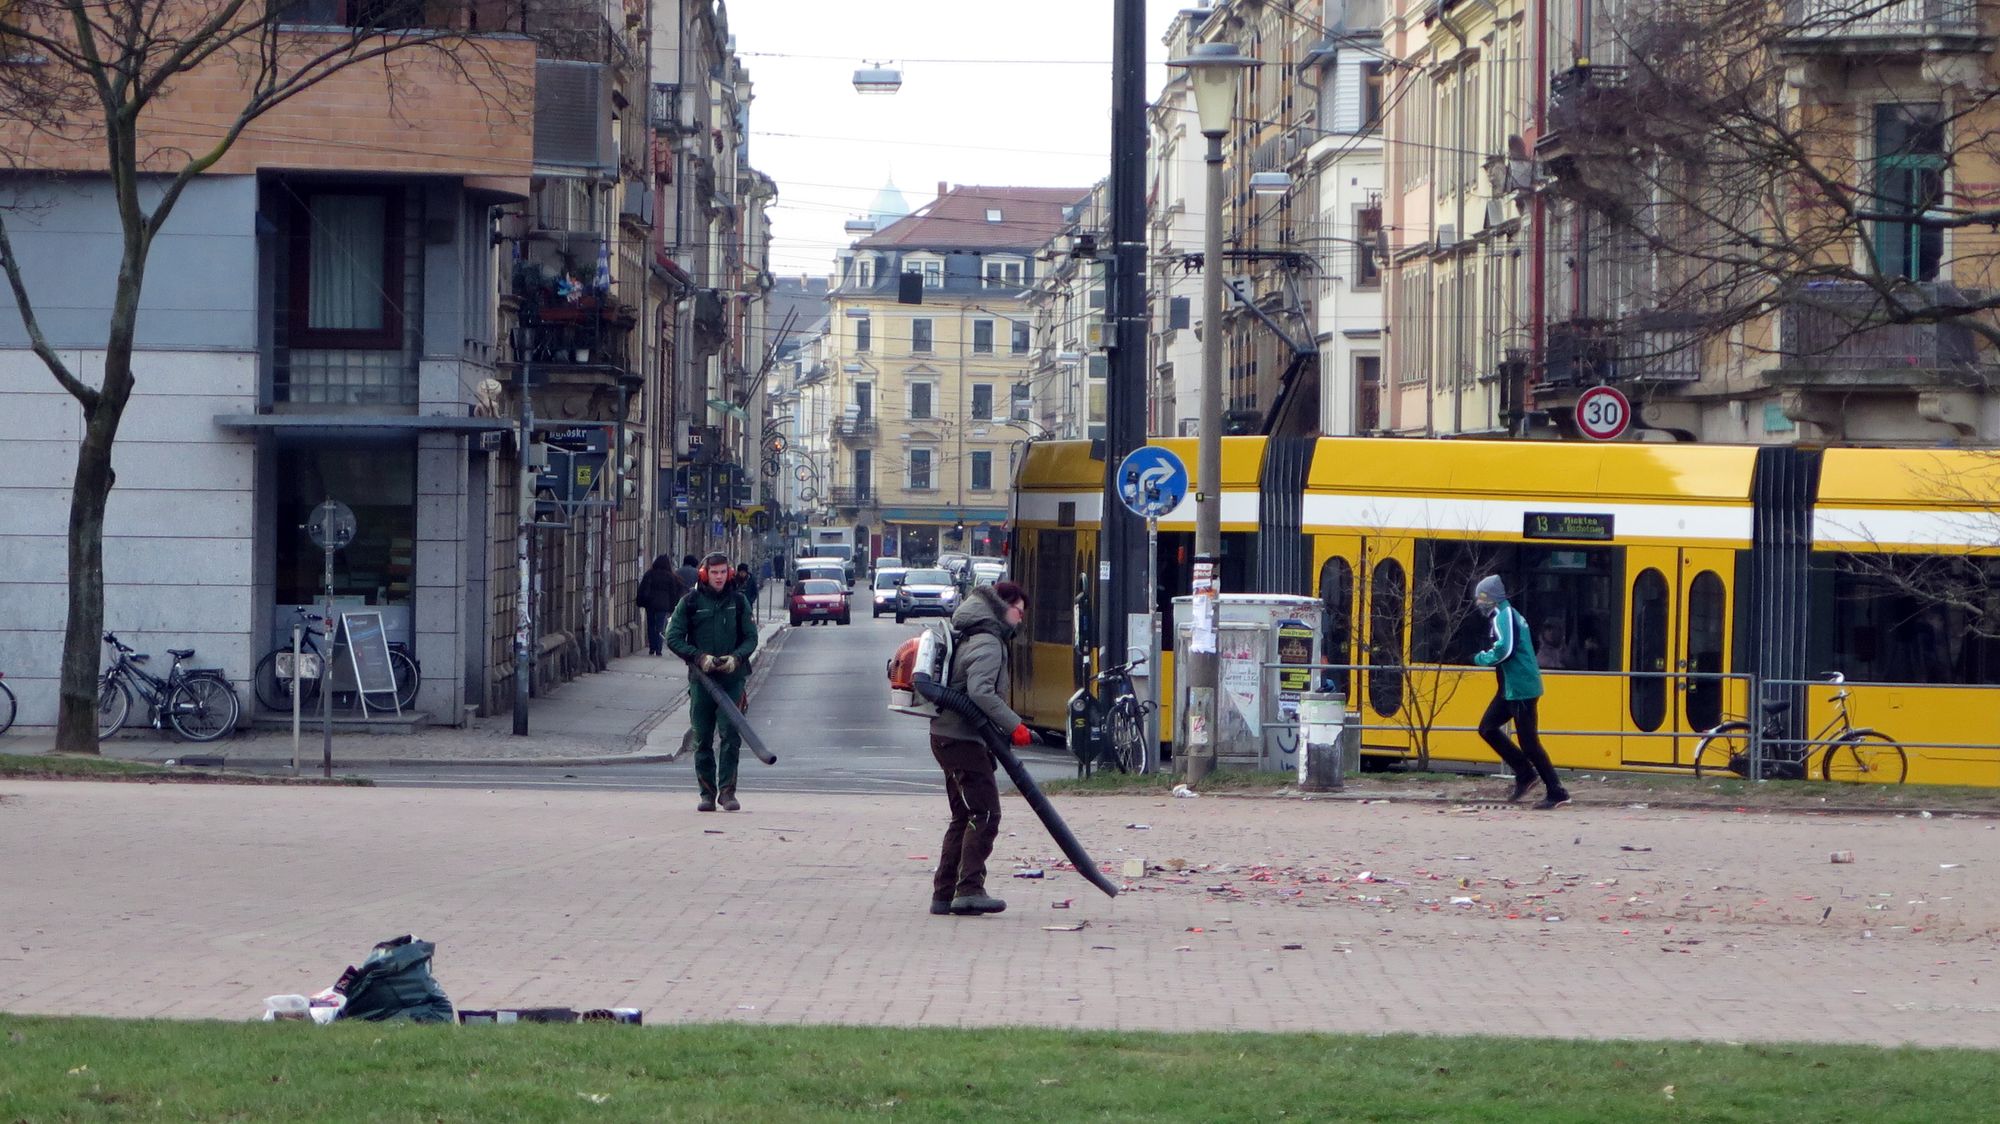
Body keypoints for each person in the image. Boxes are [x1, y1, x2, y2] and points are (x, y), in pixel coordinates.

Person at [927, 580, 1033, 917]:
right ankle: (969, 890)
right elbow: (981, 692)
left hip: (947, 736)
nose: (1020, 620)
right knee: (985, 814)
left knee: (964, 815)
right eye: (1019, 611)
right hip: (962, 740)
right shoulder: (988, 641)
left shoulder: (971, 632)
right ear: (1004, 607)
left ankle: (944, 893)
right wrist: (1014, 725)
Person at [666, 551, 759, 812]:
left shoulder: (739, 602)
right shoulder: (691, 602)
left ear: (729, 573)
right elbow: (673, 637)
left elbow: (751, 638)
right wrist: (699, 658)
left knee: (731, 736)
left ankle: (727, 793)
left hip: (732, 680)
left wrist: (736, 659)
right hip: (702, 681)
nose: (719, 577)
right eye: (714, 572)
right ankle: (707, 794)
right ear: (705, 574)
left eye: (722, 572)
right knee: (702, 737)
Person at [1472, 575, 1570, 809]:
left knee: (1529, 743)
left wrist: (1481, 658)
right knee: (1487, 728)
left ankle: (1556, 791)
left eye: (1482, 597)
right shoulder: (1507, 614)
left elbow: (1506, 649)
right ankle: (1525, 774)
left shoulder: (1503, 616)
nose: (1479, 603)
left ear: (1493, 597)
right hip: (1511, 688)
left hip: (1520, 688)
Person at [635, 554, 685, 657]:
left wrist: (642, 600)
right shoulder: (670, 576)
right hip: (663, 604)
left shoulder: (650, 574)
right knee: (660, 626)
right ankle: (658, 648)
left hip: (650, 603)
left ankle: (652, 647)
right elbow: (674, 593)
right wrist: (673, 606)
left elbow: (643, 588)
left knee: (651, 625)